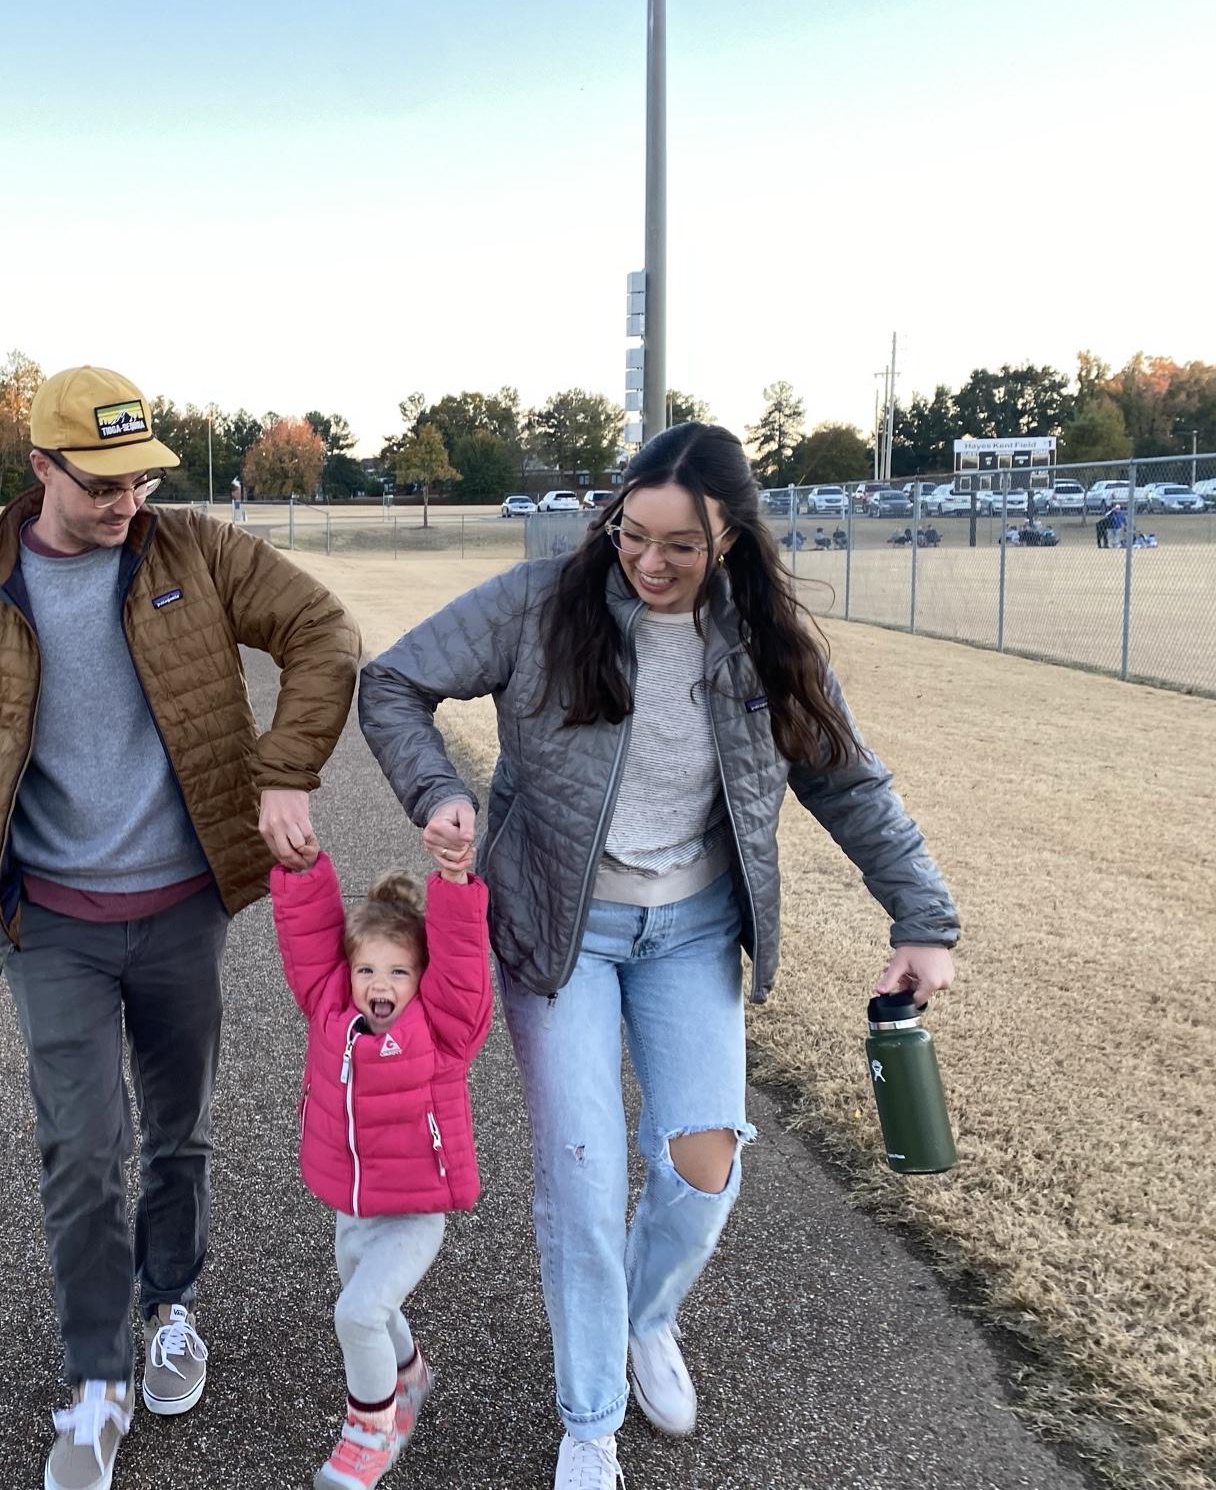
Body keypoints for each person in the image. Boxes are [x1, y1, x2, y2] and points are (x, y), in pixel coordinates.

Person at [357, 423, 958, 1490]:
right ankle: (589, 1421)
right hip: (561, 931)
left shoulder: (763, 642)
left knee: (703, 1168)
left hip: (691, 929)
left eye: (681, 544)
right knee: (583, 1178)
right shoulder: (540, 604)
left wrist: (922, 918)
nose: (649, 560)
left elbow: (848, 780)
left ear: (731, 538)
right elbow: (393, 682)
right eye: (632, 533)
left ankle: (644, 1316)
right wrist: (438, 791)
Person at [0, 365, 360, 1490]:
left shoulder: (193, 551)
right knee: (80, 1146)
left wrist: (286, 770)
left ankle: (173, 1307)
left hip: (181, 909)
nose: (126, 502)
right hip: (51, 921)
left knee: (179, 1131)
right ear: (40, 469)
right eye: (102, 483)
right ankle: (97, 1380)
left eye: (140, 480)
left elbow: (324, 631)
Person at [270, 850, 492, 1490]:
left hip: (415, 1214)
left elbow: (463, 968)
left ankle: (369, 1434)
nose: (380, 984)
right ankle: (409, 1374)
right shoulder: (331, 1014)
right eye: (366, 969)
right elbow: (311, 948)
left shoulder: (442, 1031)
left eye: (398, 971)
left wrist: (455, 884)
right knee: (373, 1306)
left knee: (359, 1313)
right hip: (354, 1210)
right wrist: (302, 869)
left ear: (422, 975)